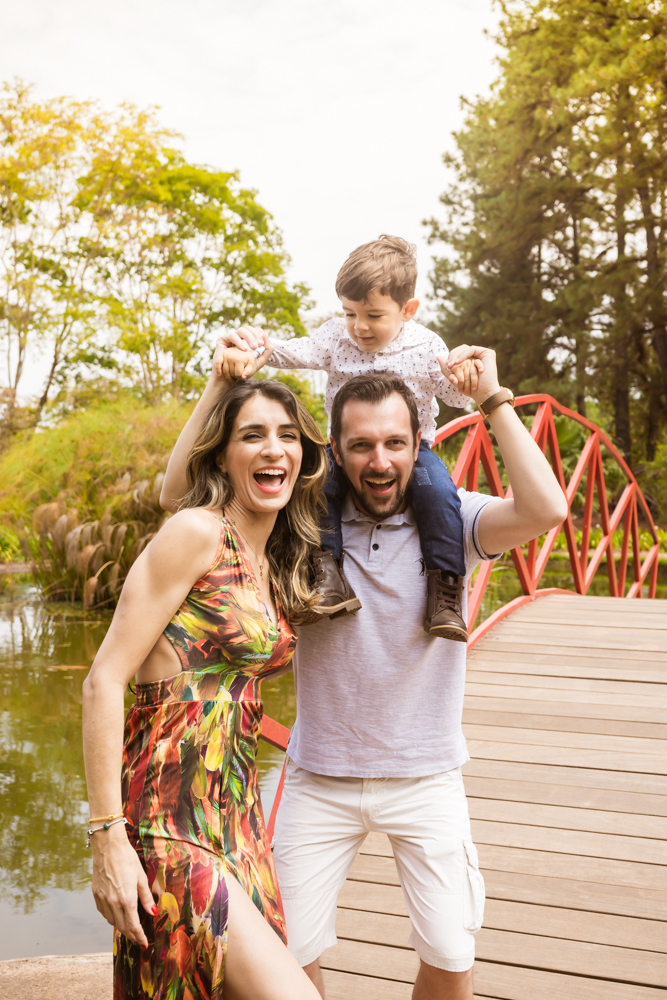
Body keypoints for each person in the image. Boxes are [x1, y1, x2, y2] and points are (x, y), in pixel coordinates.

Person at [160, 343, 567, 1000]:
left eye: (395, 444)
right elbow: (178, 496)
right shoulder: (297, 524)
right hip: (319, 776)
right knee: (289, 955)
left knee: (451, 956)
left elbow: (546, 510)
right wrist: (215, 385)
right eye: (361, 446)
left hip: (426, 777)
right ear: (335, 451)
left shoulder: (454, 522)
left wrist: (493, 400)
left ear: (418, 445)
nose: (379, 461)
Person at [82, 378, 328, 1000]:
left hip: (237, 820)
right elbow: (102, 681)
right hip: (169, 817)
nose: (273, 448)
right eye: (252, 435)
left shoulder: (274, 558)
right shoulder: (196, 533)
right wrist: (108, 836)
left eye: (288, 435)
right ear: (221, 455)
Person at [216, 235, 483, 642]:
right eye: (349, 313)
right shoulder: (336, 339)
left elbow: (457, 397)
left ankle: (445, 587)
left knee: (438, 494)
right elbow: (298, 352)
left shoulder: (426, 347)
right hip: (342, 451)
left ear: (407, 310)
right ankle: (327, 573)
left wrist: (464, 374)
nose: (359, 326)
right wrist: (255, 349)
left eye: (373, 315)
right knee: (317, 486)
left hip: (412, 453)